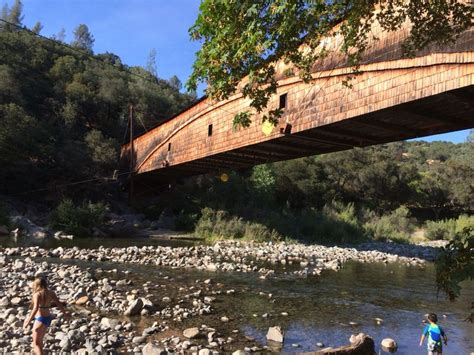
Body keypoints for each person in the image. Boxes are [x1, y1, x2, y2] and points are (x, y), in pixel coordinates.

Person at [23, 275, 69, 355]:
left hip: (40, 319)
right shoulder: (51, 293)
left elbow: (35, 308)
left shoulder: (37, 294)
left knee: (36, 343)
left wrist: (28, 321)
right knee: (40, 341)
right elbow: (59, 304)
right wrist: (65, 314)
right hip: (48, 318)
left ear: (36, 285)